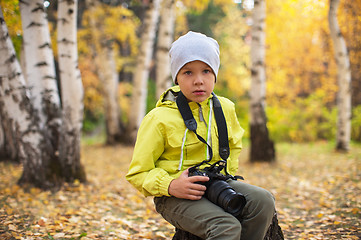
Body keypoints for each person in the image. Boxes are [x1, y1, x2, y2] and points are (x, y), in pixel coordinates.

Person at [126, 31, 275, 240]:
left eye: (206, 71)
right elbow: (137, 173)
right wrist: (170, 185)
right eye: (188, 72)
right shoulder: (158, 118)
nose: (198, 81)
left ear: (215, 74)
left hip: (216, 183)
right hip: (174, 195)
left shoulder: (225, 108)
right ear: (176, 77)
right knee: (226, 226)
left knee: (264, 201)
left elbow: (233, 147)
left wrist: (225, 180)